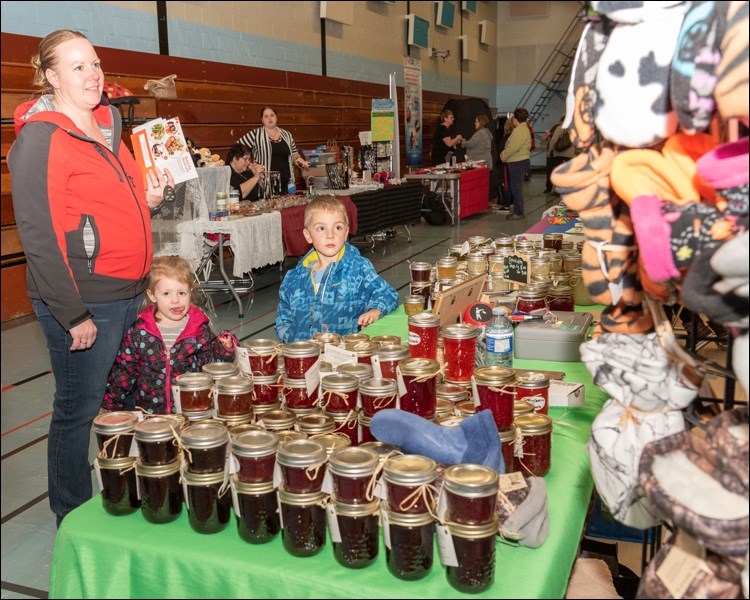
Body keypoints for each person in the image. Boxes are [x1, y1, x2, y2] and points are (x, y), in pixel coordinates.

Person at [7, 29, 173, 526]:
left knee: (122, 402)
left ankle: (120, 495)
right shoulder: (41, 138)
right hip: (83, 299)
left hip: (128, 292)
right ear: (51, 76)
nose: (92, 74)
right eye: (77, 66)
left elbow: (104, 207)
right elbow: (38, 233)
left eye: (95, 63)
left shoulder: (108, 127)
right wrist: (72, 312)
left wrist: (150, 201)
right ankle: (72, 514)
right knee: (78, 410)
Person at [101, 256, 238, 414]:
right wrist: (111, 405)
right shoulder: (140, 331)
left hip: (192, 411)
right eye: (166, 293)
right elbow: (124, 371)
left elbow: (211, 366)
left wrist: (224, 349)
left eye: (181, 293)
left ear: (190, 292)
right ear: (152, 296)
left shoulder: (199, 329)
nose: (175, 300)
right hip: (151, 415)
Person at [275, 195, 398, 342]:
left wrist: (375, 310)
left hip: (345, 356)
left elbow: (387, 294)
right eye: (321, 228)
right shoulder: (294, 278)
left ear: (346, 233)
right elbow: (283, 318)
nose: (330, 235)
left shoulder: (358, 268)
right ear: (308, 236)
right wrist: (292, 340)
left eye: (337, 227)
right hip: (305, 357)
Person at [238, 106, 309, 195]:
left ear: (276, 117)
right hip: (264, 185)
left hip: (287, 184)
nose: (269, 118)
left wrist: (302, 161)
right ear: (262, 120)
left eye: (272, 115)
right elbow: (237, 148)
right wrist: (250, 165)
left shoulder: (287, 135)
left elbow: (295, 154)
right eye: (266, 116)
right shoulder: (255, 134)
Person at [499, 107, 532, 221]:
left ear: (515, 118)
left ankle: (518, 212)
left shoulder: (519, 130)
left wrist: (503, 155)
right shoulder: (523, 128)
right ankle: (518, 209)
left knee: (516, 188)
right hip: (520, 161)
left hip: (517, 162)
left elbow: (513, 147)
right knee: (516, 187)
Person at [543, 115, 565, 193]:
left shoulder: (556, 128)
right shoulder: (571, 129)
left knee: (550, 170)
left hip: (554, 153)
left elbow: (548, 139)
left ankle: (549, 187)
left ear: (560, 121)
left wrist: (549, 151)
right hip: (566, 154)